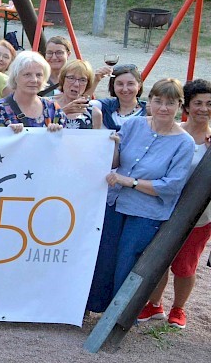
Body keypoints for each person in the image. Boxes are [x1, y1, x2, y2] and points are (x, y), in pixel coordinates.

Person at [87, 78, 195, 314]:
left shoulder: (184, 143)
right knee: (104, 256)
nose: (163, 108)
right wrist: (113, 146)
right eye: (158, 101)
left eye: (170, 102)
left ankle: (120, 317)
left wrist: (131, 182)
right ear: (150, 103)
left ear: (180, 106)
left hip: (146, 212)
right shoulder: (133, 125)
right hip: (115, 203)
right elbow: (116, 162)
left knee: (129, 263)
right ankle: (94, 308)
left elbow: (170, 186)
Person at [138, 79, 211, 328]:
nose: (203, 108)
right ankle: (154, 304)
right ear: (187, 106)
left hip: (199, 215)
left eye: (209, 104)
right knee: (159, 258)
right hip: (164, 206)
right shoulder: (174, 131)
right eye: (198, 103)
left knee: (185, 265)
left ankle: (178, 308)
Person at [0, 51, 67, 131]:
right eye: (27, 74)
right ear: (15, 77)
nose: (34, 80)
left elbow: (66, 144)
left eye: (39, 75)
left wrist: (57, 134)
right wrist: (6, 135)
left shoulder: (53, 109)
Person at [93, 64, 146, 131]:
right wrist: (96, 80)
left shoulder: (148, 111)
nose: (125, 89)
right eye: (120, 84)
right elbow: (82, 104)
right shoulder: (104, 107)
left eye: (130, 84)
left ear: (139, 86)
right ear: (113, 86)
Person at [54, 60, 96, 130]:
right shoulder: (47, 105)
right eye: (71, 78)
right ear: (62, 79)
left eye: (82, 80)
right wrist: (63, 111)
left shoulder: (93, 113)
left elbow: (97, 139)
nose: (76, 84)